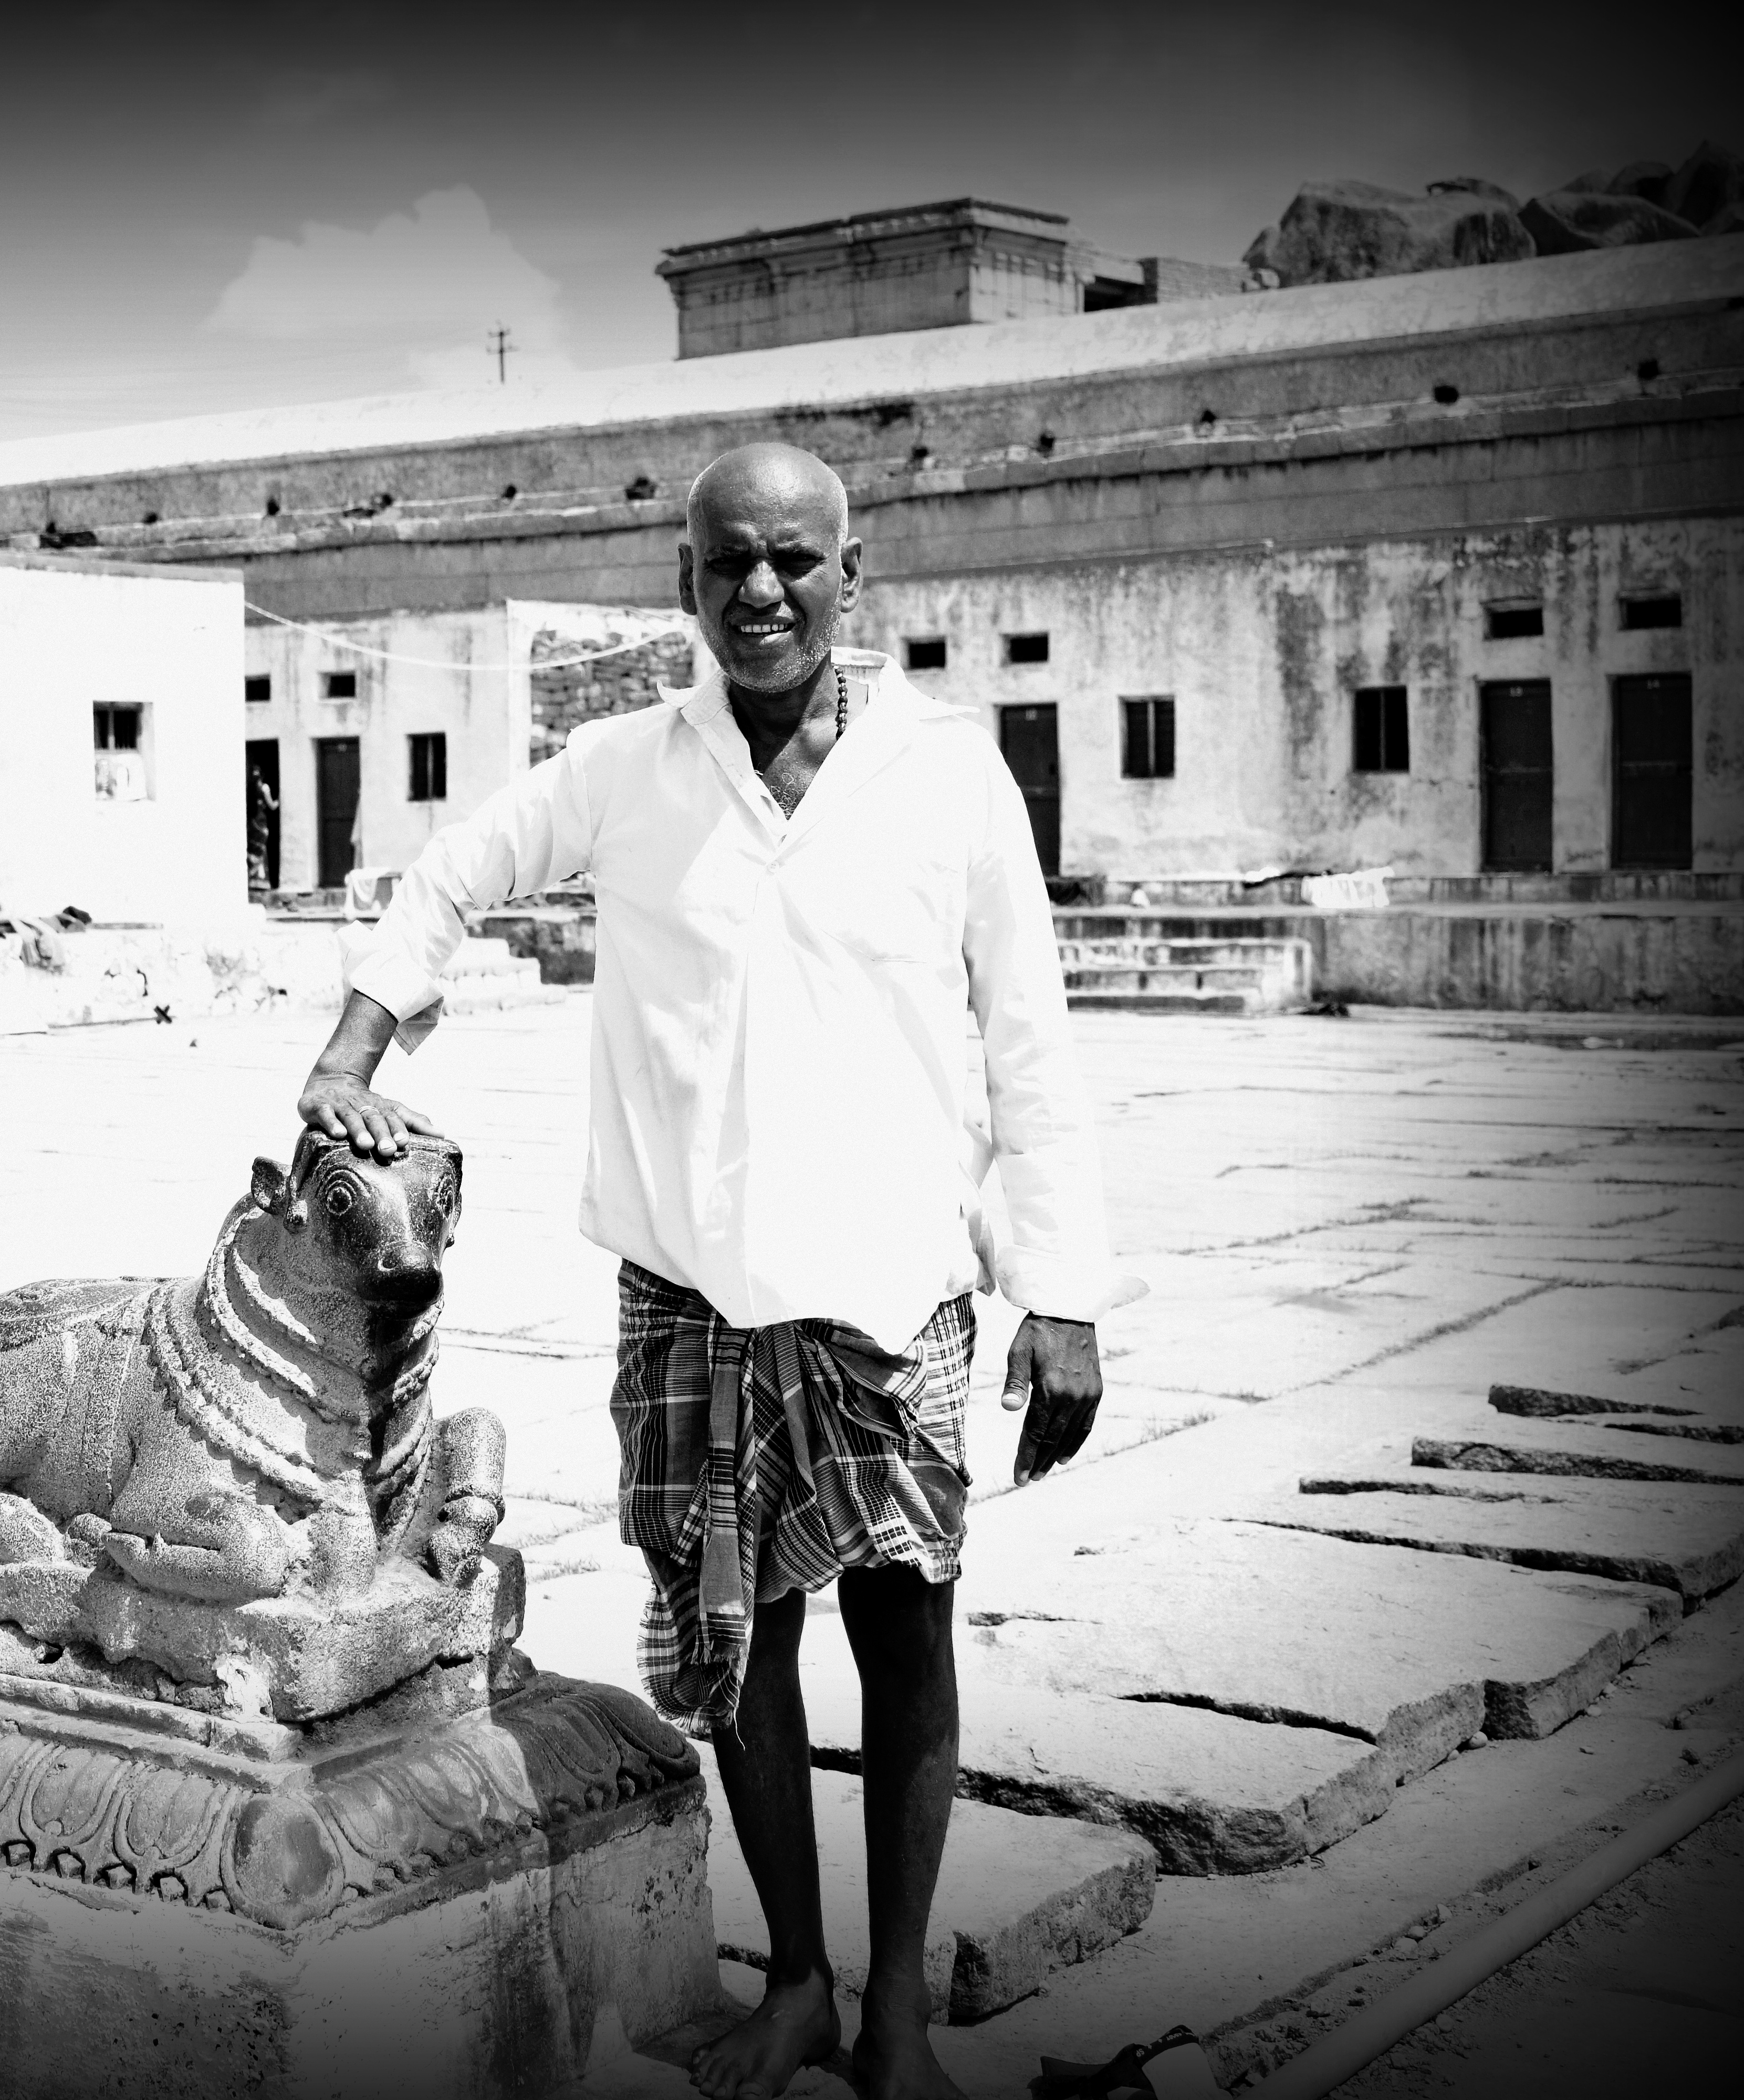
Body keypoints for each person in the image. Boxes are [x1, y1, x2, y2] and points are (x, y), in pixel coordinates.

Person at [294, 442, 1121, 2100]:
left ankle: (897, 2018)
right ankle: (798, 1984)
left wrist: (1068, 1295)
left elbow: (1030, 1039)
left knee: (908, 1643)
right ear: (685, 584)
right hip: (687, 1291)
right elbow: (454, 873)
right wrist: (355, 1043)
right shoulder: (625, 768)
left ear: (850, 572)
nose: (761, 593)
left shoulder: (951, 774)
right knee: (735, 1647)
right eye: (727, 564)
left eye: (794, 562)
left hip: (895, 1291)